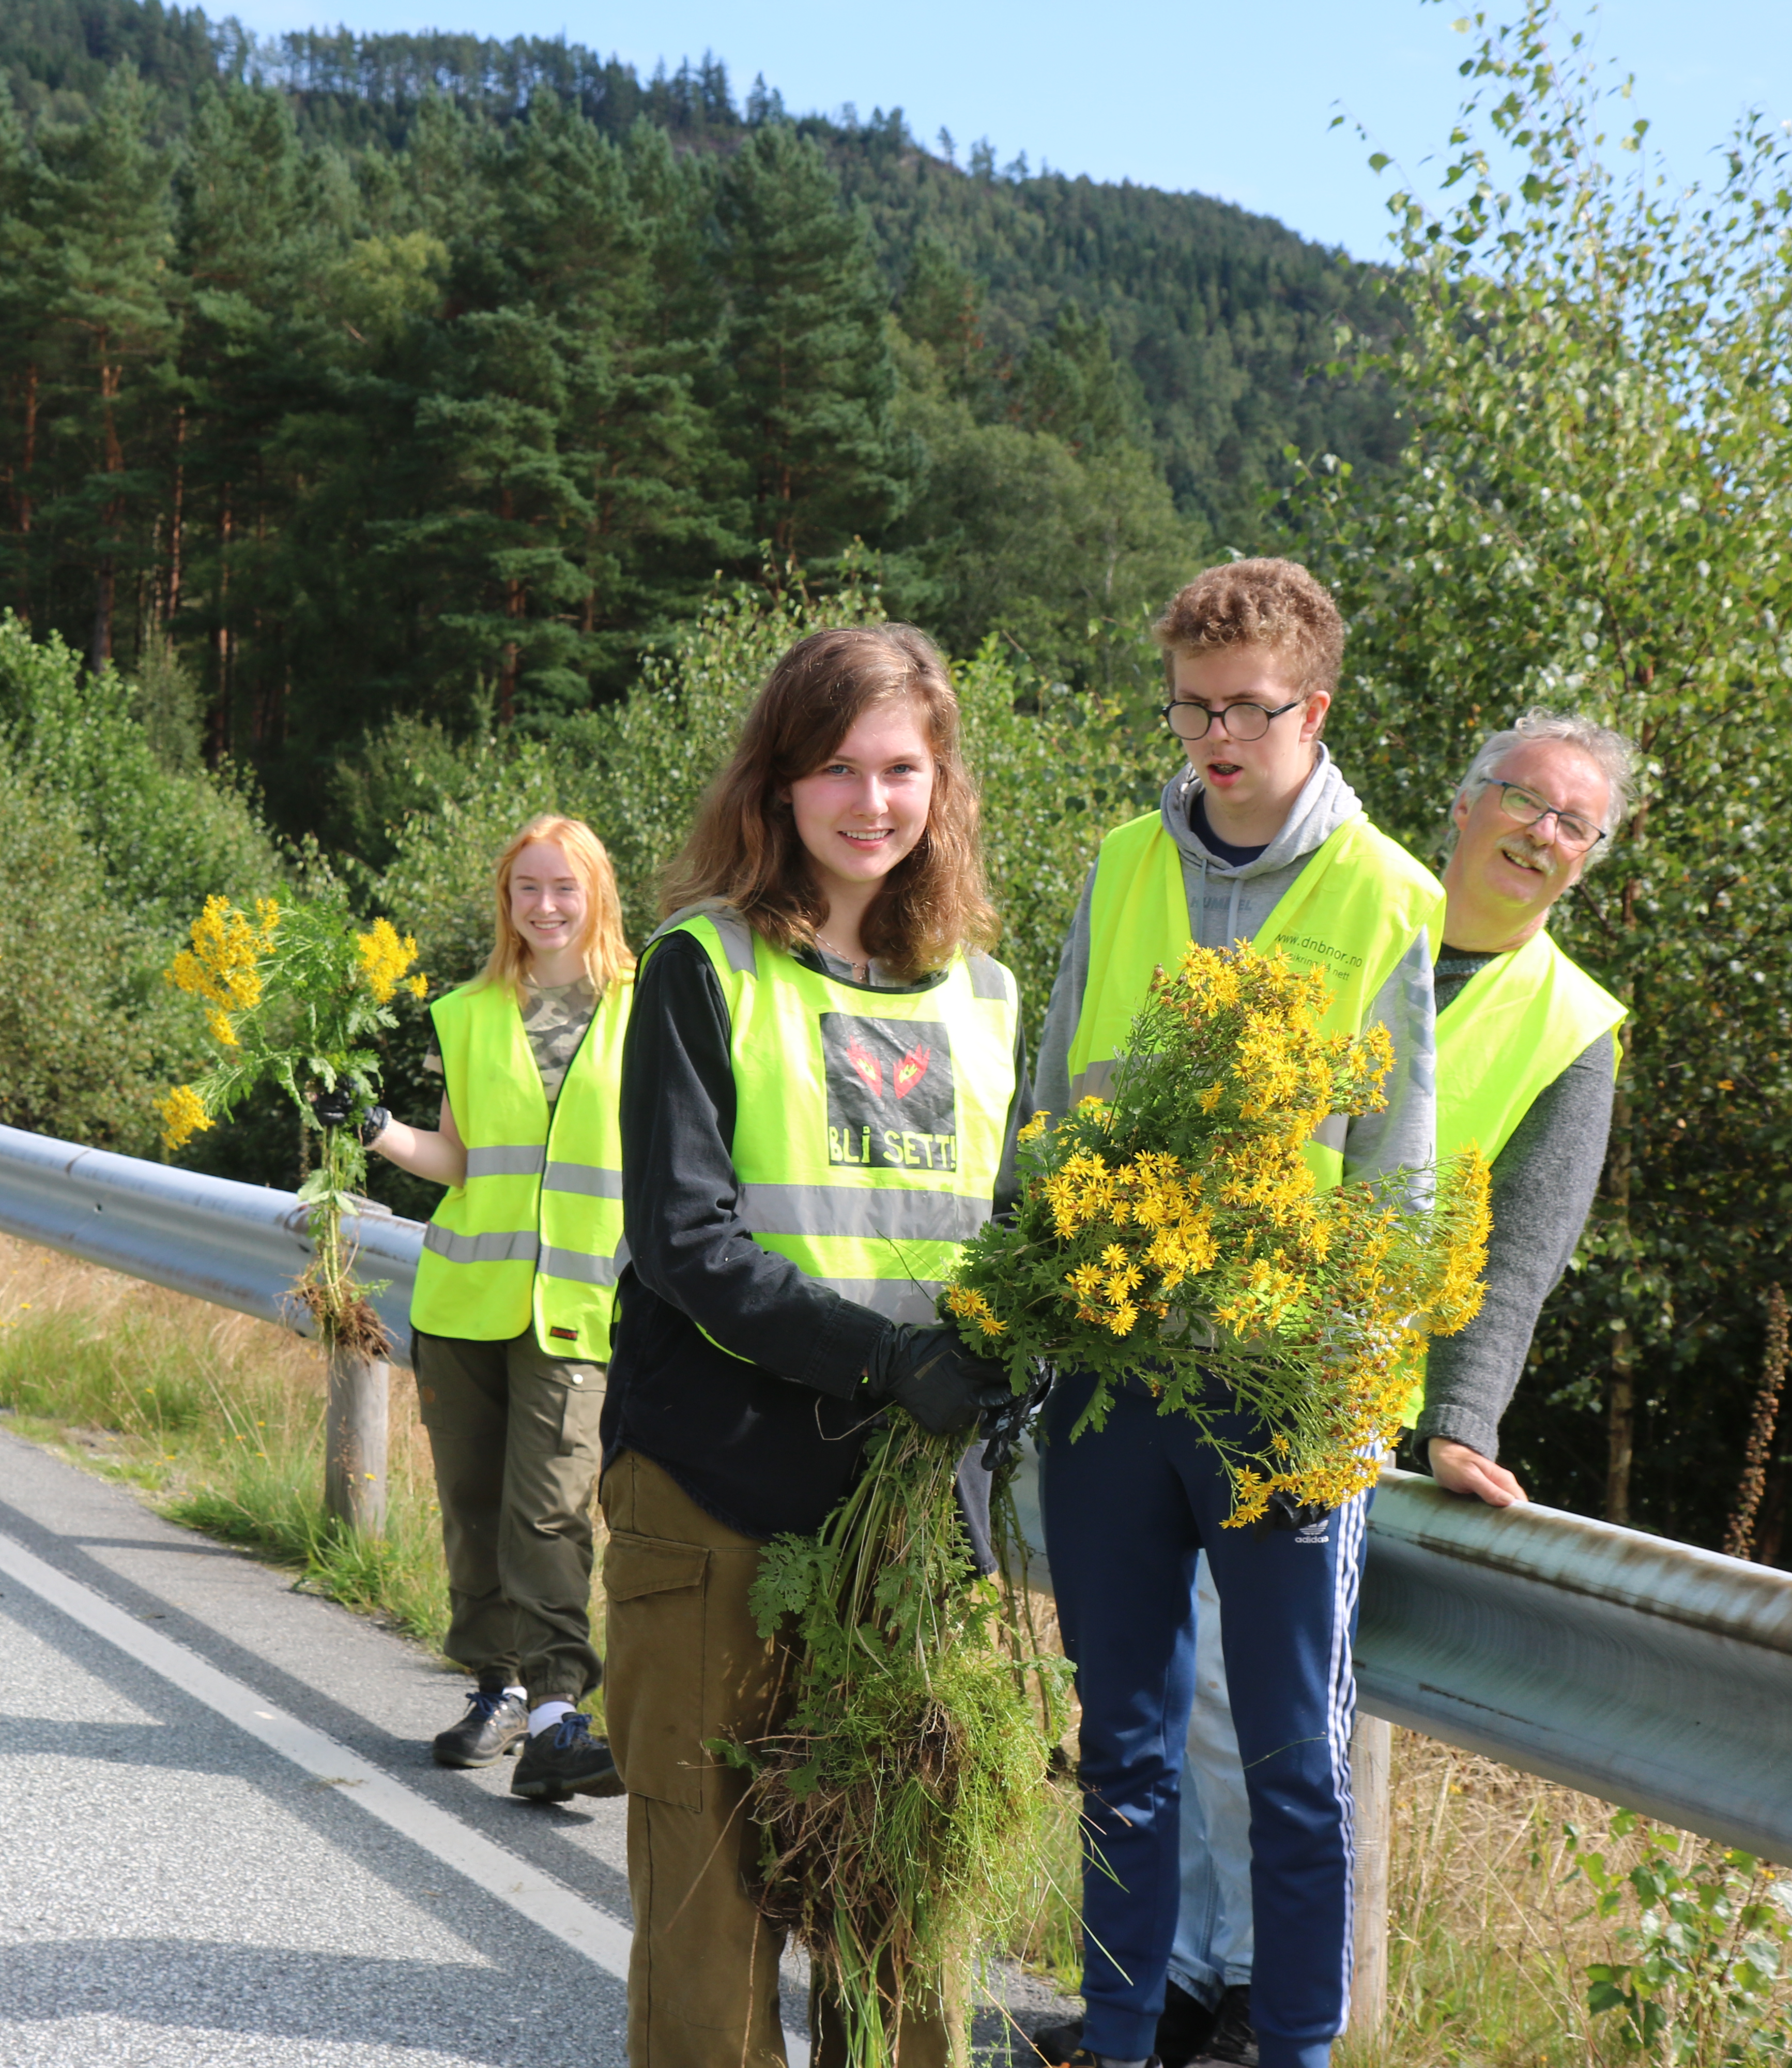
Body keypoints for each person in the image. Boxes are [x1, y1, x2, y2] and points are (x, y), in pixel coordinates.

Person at [1128, 710, 1637, 2068]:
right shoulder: (1355, 910)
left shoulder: (1573, 1027)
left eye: (1572, 823)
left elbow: (1524, 1247)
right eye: (1521, 799)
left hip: (1336, 1386)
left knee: (1261, 1712)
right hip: (1195, 1341)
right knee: (1170, 1695)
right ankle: (1175, 1982)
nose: (1539, 833)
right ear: (1464, 803)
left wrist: (1462, 1420)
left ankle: (1253, 1994)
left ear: (1587, 861)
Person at [1014, 561, 1442, 2068]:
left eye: (1243, 710)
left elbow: (1397, 1178)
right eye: (1190, 707)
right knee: (1122, 1751)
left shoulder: (1389, 894)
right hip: (1112, 1384)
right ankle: (1121, 2037)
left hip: (1278, 1402)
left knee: (1291, 1771)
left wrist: (1359, 1389)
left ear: (1311, 708)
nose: (1211, 737)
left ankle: (1297, 2051)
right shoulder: (1124, 861)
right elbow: (1056, 1097)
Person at [597, 623, 1020, 2068]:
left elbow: (1012, 1237)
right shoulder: (699, 968)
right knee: (712, 1916)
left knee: (901, 1918)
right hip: (714, 1490)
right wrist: (887, 1359)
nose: (870, 801)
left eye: (900, 767)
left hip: (907, 1520)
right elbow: (688, 1245)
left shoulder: (989, 996)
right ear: (776, 787)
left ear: (941, 784)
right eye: (834, 767)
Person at [317, 814, 636, 1802]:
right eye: (525, 889)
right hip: (463, 1301)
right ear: (506, 900)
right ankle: (495, 1691)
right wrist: (375, 1131)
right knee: (472, 1508)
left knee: (548, 1509)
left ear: (598, 896)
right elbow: (457, 1160)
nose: (544, 906)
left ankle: (554, 1713)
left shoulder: (648, 1007)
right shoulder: (466, 1011)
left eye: (563, 888)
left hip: (582, 1302)